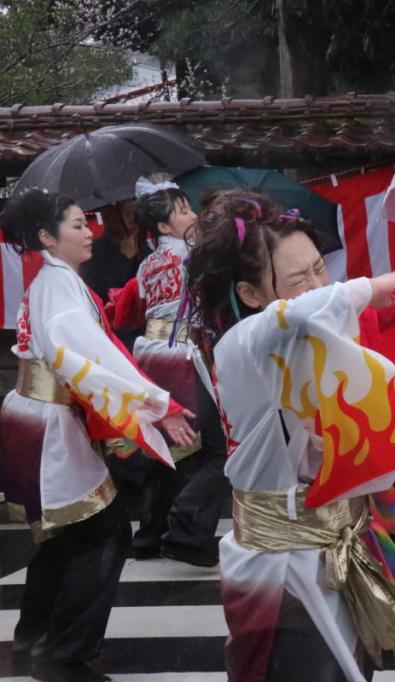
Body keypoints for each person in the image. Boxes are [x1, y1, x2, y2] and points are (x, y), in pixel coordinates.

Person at [186, 189, 395, 682]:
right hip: (279, 561)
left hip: (339, 540)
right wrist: (371, 286)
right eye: (297, 279)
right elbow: (300, 311)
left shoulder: (319, 335)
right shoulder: (243, 345)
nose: (316, 284)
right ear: (250, 294)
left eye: (319, 269)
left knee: (350, 668)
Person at [0, 188, 195, 682]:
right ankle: (64, 655)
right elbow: (93, 361)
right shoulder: (59, 287)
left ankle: (35, 639)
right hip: (49, 423)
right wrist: (157, 404)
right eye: (77, 225)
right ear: (47, 237)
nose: (90, 232)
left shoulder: (54, 280)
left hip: (36, 415)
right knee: (103, 534)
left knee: (65, 537)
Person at [126, 177, 229, 566]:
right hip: (180, 353)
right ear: (163, 226)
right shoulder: (194, 255)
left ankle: (150, 536)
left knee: (168, 448)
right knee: (220, 448)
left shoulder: (147, 265)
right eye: (184, 211)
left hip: (150, 356)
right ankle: (186, 530)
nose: (194, 215)